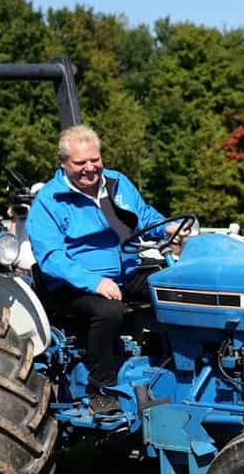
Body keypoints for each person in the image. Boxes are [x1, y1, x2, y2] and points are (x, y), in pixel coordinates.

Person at [27, 124, 165, 415]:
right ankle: (100, 387)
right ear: (63, 164)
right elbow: (51, 257)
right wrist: (93, 281)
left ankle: (168, 363)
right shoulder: (49, 202)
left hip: (125, 273)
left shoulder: (117, 184)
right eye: (80, 163)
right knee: (108, 310)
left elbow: (146, 217)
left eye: (95, 159)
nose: (90, 168)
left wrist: (170, 228)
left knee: (171, 288)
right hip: (71, 286)